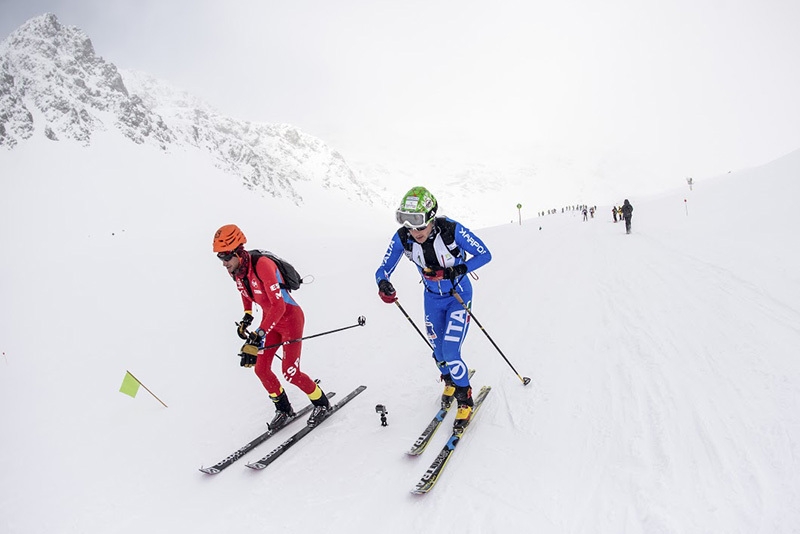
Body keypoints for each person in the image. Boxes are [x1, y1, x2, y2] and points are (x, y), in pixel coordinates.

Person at [374, 187, 492, 431]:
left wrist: (457, 270)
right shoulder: (403, 237)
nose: (413, 230)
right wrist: (383, 283)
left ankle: (464, 397)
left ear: (430, 217)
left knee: (450, 351)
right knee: (438, 352)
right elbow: (382, 269)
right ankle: (449, 380)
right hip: (432, 300)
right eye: (406, 221)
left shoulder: (451, 230)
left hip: (458, 296)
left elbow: (484, 254)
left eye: (418, 222)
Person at [212, 224, 331, 428]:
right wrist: (247, 317)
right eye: (219, 257)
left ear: (238, 252)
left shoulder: (263, 265)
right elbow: (245, 291)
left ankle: (321, 403)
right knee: (261, 368)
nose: (223, 263)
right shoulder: (237, 270)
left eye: (225, 257)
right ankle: (284, 408)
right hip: (270, 323)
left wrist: (258, 334)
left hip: (290, 319)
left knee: (290, 373)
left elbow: (279, 305)